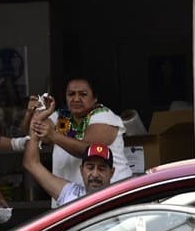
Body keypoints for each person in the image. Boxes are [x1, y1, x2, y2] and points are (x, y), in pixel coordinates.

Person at [23, 76, 132, 207]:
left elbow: (87, 150)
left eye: (83, 94)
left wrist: (53, 134)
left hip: (109, 196)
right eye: (71, 94)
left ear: (95, 98)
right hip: (69, 197)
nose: (76, 99)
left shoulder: (105, 116)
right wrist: (34, 114)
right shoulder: (60, 116)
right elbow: (32, 134)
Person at [24, 103, 115, 206]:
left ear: (111, 172)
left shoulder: (120, 198)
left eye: (101, 169)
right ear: (81, 170)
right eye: (90, 167)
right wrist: (38, 118)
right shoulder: (70, 193)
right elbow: (31, 163)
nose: (95, 174)